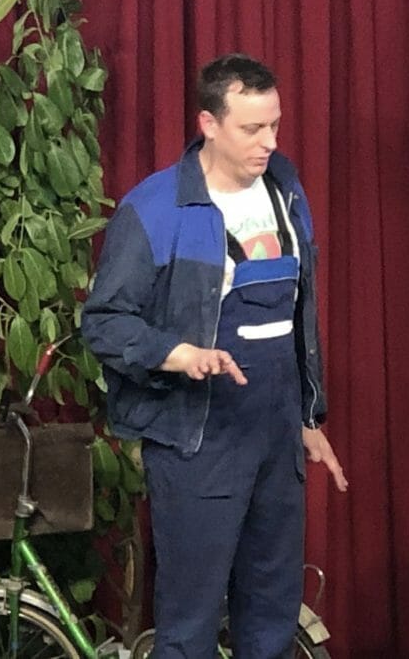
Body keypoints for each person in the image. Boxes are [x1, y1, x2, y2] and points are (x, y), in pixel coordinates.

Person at [82, 53, 348, 659]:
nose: (269, 142)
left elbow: (297, 317)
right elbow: (103, 322)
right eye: (252, 129)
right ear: (208, 123)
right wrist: (178, 354)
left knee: (273, 614)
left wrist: (305, 418)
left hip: (275, 436)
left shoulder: (286, 189)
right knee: (191, 620)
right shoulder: (155, 209)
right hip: (198, 439)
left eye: (274, 125)